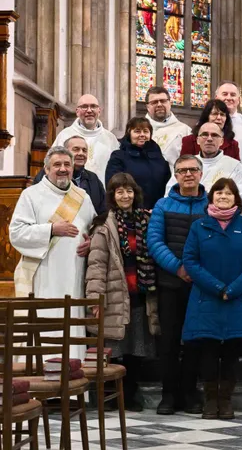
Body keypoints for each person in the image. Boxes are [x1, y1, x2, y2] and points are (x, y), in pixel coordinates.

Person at [182, 178, 242, 420]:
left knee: (231, 353)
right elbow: (190, 260)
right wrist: (218, 287)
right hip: (207, 298)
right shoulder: (200, 226)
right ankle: (210, 400)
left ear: (236, 198)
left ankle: (226, 400)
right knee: (207, 352)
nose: (223, 197)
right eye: (219, 193)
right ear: (211, 198)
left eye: (228, 194)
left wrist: (234, 288)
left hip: (238, 299)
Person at [10, 146, 96, 359]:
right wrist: (50, 230)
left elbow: (95, 227)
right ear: (46, 168)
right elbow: (16, 233)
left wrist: (92, 242)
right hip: (44, 276)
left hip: (74, 275)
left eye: (67, 164)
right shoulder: (31, 195)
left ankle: (72, 387)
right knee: (45, 322)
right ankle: (42, 388)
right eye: (57, 164)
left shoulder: (82, 197)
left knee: (71, 325)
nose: (63, 169)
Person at [85, 173, 161, 411]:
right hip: (115, 291)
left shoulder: (147, 220)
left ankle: (131, 393)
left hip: (139, 290)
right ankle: (111, 394)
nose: (125, 196)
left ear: (135, 193)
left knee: (137, 347)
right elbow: (96, 264)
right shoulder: (103, 225)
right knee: (114, 347)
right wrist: (94, 297)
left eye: (128, 191)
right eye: (119, 192)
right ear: (112, 196)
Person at [148, 154, 208, 415]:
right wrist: (178, 267)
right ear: (175, 175)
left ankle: (191, 393)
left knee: (197, 340)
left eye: (193, 170)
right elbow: (155, 242)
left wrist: (198, 271)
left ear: (201, 174)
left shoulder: (212, 205)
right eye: (182, 170)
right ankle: (169, 395)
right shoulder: (163, 205)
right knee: (169, 342)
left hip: (201, 285)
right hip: (170, 283)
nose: (188, 175)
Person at [166, 122, 242, 214]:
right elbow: (170, 191)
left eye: (214, 135)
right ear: (198, 140)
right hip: (187, 214)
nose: (209, 139)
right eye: (204, 135)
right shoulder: (185, 165)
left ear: (221, 141)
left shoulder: (236, 166)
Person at [106, 116, 172, 209]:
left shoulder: (159, 158)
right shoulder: (119, 157)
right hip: (128, 211)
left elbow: (167, 184)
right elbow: (112, 186)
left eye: (146, 131)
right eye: (137, 131)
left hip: (155, 211)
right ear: (129, 133)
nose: (142, 135)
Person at [53, 94, 120, 181]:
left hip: (102, 191)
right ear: (77, 111)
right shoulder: (65, 135)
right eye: (84, 107)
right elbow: (53, 165)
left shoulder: (110, 139)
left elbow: (118, 171)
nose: (89, 110)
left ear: (99, 111)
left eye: (93, 106)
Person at [34, 136, 105, 215]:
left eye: (84, 150)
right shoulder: (47, 176)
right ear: (65, 152)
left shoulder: (93, 178)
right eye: (76, 149)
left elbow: (103, 209)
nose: (81, 153)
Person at [145, 86, 192, 168]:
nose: (159, 104)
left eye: (163, 101)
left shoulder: (185, 131)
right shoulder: (138, 130)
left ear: (169, 103)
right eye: (154, 102)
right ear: (148, 107)